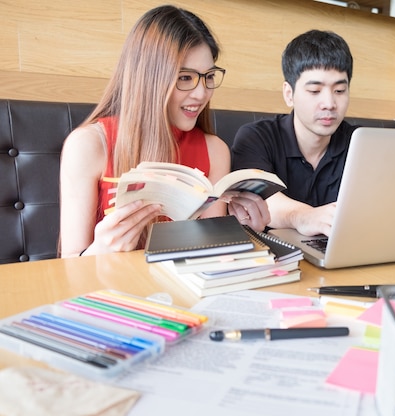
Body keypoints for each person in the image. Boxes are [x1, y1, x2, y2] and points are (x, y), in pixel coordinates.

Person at [59, 5, 270, 258]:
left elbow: (213, 256)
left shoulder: (215, 150)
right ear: (150, 77)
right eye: (184, 77)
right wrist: (101, 250)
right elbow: (69, 265)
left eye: (208, 76)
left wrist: (245, 232)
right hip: (112, 290)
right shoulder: (89, 144)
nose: (201, 93)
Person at [231, 30, 356, 238]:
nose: (329, 104)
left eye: (340, 91)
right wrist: (304, 217)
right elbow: (261, 200)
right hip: (276, 258)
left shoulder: (360, 143)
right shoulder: (256, 137)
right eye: (315, 91)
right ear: (289, 94)